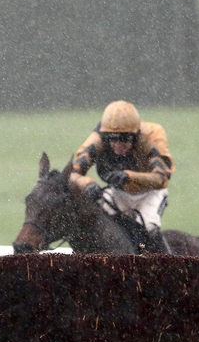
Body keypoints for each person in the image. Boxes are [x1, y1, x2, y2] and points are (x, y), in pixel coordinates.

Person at [73, 100, 175, 254]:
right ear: (106, 136)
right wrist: (87, 184)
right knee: (99, 222)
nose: (118, 144)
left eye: (125, 138)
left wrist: (129, 176)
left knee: (150, 226)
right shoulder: (97, 140)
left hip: (150, 193)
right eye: (113, 139)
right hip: (118, 192)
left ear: (135, 136)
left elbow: (161, 179)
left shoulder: (151, 136)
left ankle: (167, 265)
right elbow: (73, 173)